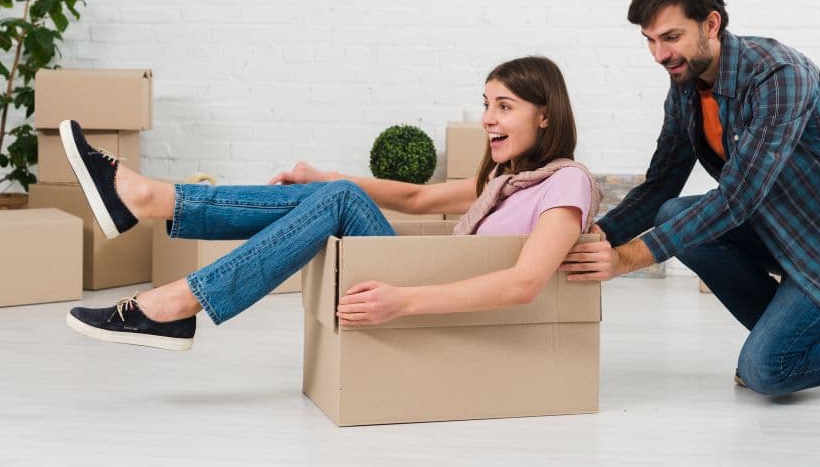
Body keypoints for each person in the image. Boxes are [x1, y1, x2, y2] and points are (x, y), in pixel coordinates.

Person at [560, 0, 820, 394]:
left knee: (768, 372)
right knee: (672, 212)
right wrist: (595, 239)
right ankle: (790, 345)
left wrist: (627, 259)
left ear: (711, 24)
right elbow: (661, 184)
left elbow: (738, 197)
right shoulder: (686, 84)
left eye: (670, 37)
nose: (659, 55)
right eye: (649, 41)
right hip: (780, 230)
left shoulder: (779, 75)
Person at [62, 56, 602, 350]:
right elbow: (416, 197)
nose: (488, 118)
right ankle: (151, 206)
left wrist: (405, 302)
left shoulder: (566, 184)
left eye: (504, 107)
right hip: (423, 278)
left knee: (340, 198)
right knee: (336, 194)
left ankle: (171, 286)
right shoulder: (505, 179)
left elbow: (525, 283)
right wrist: (323, 178)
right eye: (486, 105)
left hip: (429, 296)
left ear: (545, 115)